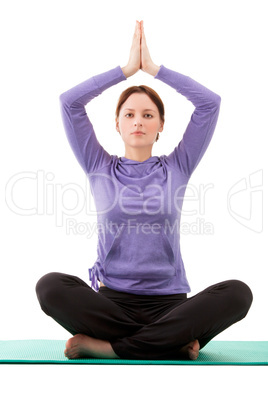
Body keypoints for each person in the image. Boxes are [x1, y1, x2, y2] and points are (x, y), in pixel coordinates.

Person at [36, 20, 253, 361]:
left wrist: (152, 70)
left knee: (239, 294)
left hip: (170, 305)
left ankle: (110, 347)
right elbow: (69, 103)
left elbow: (209, 104)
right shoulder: (99, 165)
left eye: (148, 115)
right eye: (130, 114)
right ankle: (169, 344)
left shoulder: (177, 166)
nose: (139, 121)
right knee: (49, 287)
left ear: (160, 126)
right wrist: (125, 71)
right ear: (118, 123)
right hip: (111, 305)